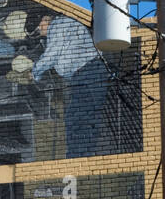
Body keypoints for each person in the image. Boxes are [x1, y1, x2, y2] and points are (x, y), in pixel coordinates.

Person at [30, 12, 110, 158]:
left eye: (38, 30)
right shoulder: (62, 25)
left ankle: (78, 156)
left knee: (78, 117)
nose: (41, 34)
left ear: (43, 20)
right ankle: (83, 154)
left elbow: (51, 55)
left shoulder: (58, 25)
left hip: (88, 73)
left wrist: (35, 72)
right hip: (85, 74)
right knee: (82, 116)